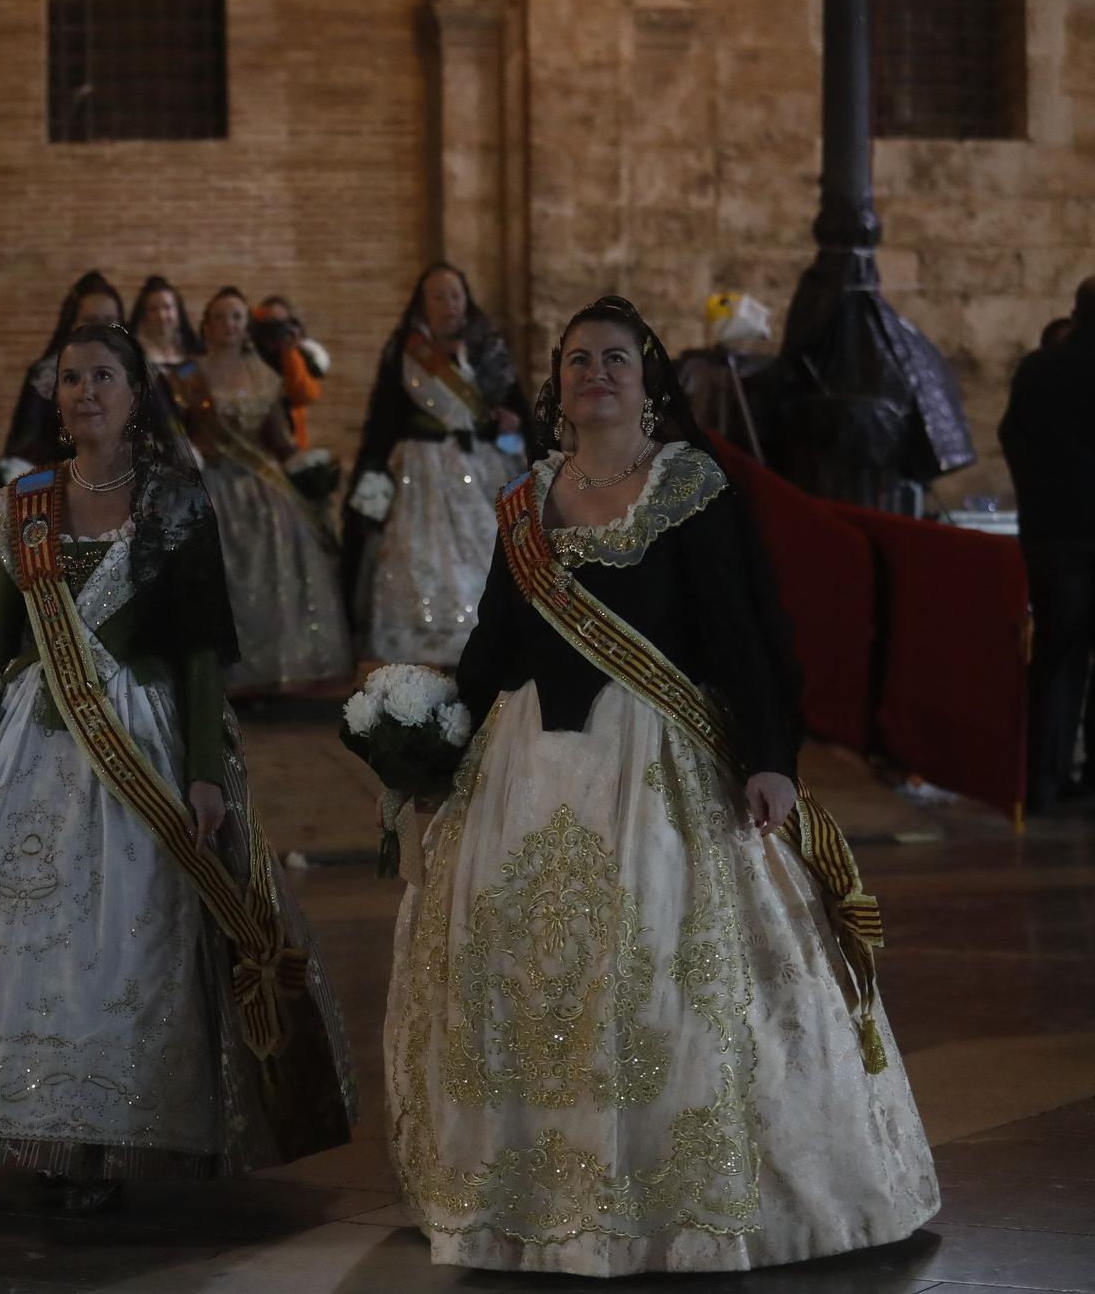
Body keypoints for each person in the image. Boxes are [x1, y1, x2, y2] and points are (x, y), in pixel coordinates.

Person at [384, 295, 938, 1274]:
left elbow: (746, 627)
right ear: (554, 386)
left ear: (645, 383)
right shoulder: (524, 501)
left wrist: (768, 754)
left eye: (614, 359)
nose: (593, 372)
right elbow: (491, 647)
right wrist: (428, 752)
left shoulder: (690, 484)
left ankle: (677, 1201)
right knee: (535, 982)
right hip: (528, 773)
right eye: (575, 360)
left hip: (656, 774)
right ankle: (539, 1198)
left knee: (663, 986)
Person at [0, 323, 355, 1211]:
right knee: (23, 946)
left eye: (103, 376)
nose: (84, 391)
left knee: (124, 942)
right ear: (54, 398)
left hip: (143, 744)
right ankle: (45, 1128)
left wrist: (207, 774)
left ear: (138, 395)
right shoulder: (21, 504)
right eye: (69, 378)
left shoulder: (177, 502)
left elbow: (206, 654)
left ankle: (115, 1133)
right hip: (29, 749)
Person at [165, 287, 351, 692]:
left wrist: (307, 467)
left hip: (261, 486)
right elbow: (173, 434)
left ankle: (266, 672)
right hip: (211, 483)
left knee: (276, 572)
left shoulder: (265, 376)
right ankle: (221, 674)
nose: (229, 324)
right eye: (220, 317)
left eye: (236, 317)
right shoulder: (186, 375)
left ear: (245, 326)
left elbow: (278, 438)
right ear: (206, 326)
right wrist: (194, 450)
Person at [345, 264, 527, 666]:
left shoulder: (486, 348)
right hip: (419, 470)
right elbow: (383, 418)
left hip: (480, 466)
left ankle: (484, 646)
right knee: (419, 561)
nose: (449, 304)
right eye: (439, 297)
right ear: (422, 304)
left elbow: (514, 405)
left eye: (455, 295)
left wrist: (511, 421)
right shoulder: (407, 351)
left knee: (485, 553)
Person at [1000, 277, 1095, 812]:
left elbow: (1012, 435)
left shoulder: (1040, 369)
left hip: (1053, 533)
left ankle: (1042, 781)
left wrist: (1038, 496)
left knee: (1056, 658)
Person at [1, 270, 126, 463]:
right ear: (72, 324)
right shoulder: (46, 377)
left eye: (110, 321)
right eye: (90, 321)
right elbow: (25, 448)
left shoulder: (138, 373)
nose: (101, 331)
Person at [251, 295, 326, 450]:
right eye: (268, 325)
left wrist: (289, 351)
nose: (274, 332)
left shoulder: (297, 355)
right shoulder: (247, 354)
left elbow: (304, 395)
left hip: (290, 442)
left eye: (280, 325)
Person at [128, 275, 204, 372]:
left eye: (167, 307)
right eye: (153, 309)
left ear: (178, 311)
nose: (161, 316)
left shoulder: (191, 347)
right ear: (143, 314)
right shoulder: (132, 351)